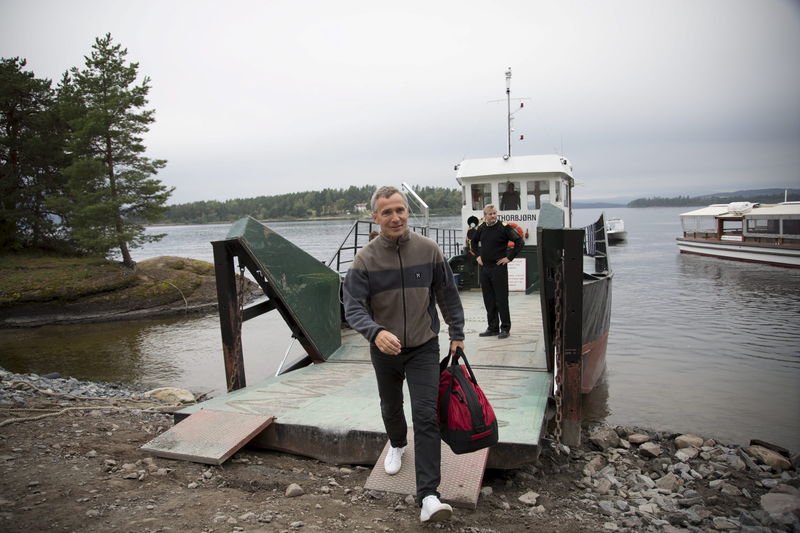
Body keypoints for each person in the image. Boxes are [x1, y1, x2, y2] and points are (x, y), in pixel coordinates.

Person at [343, 186, 465, 524]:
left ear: (407, 212)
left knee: (426, 416)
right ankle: (397, 443)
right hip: (385, 349)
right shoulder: (365, 259)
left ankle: (428, 496)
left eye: (400, 210)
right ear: (375, 217)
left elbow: (447, 294)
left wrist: (457, 333)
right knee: (391, 406)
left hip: (424, 346)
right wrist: (375, 332)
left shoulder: (428, 250)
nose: (395, 217)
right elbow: (352, 306)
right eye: (387, 212)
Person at [470, 204, 523, 339]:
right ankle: (492, 327)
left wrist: (509, 258)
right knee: (489, 299)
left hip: (498, 268)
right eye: (490, 213)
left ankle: (505, 328)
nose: (493, 216)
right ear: (485, 216)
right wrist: (477, 256)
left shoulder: (504, 227)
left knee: (501, 299)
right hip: (485, 268)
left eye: (494, 213)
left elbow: (519, 241)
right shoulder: (481, 228)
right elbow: (474, 242)